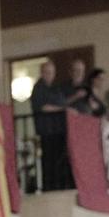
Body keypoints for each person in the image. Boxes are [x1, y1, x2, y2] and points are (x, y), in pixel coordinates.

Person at [29, 60, 72, 191]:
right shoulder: (38, 88)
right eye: (47, 72)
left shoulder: (55, 88)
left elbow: (63, 103)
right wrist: (61, 109)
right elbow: (43, 107)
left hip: (58, 129)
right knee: (49, 159)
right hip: (47, 130)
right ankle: (49, 186)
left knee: (59, 159)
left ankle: (59, 184)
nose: (49, 75)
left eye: (52, 73)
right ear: (42, 73)